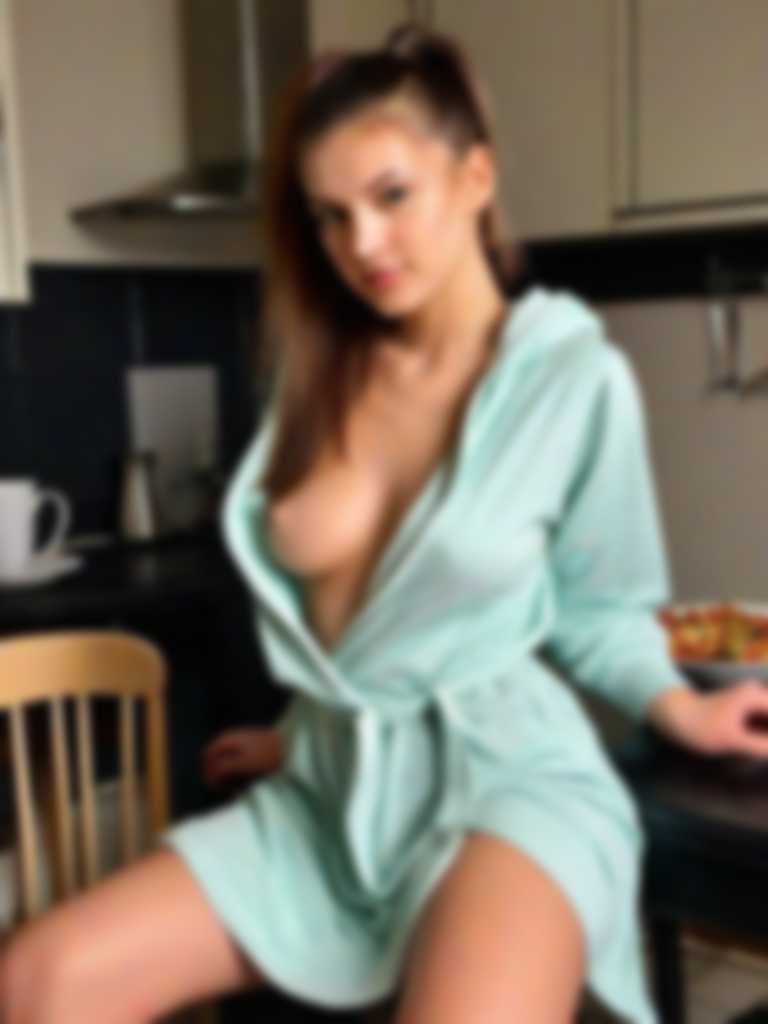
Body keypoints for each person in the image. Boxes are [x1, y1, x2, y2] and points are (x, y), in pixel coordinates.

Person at [5, 21, 768, 1024]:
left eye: (391, 195)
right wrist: (304, 731)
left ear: (475, 177)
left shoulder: (572, 379)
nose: (361, 244)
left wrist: (682, 708)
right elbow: (361, 614)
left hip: (504, 783)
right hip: (330, 793)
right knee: (39, 981)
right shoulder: (312, 375)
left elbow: (601, 606)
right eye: (331, 215)